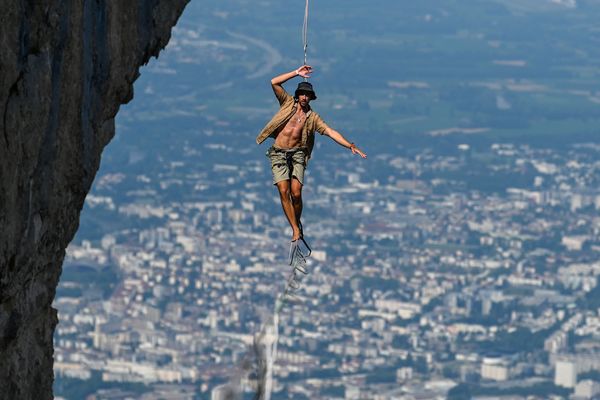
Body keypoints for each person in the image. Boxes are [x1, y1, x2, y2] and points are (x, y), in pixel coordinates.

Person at [256, 65, 367, 242]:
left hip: (298, 154)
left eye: (307, 95)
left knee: (296, 193)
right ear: (297, 95)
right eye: (302, 94)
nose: (304, 97)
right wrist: (296, 73)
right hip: (278, 153)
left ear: (311, 98)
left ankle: (297, 221)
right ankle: (294, 228)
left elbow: (331, 132)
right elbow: (274, 82)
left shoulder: (313, 118)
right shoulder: (287, 104)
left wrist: (349, 145)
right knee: (283, 191)